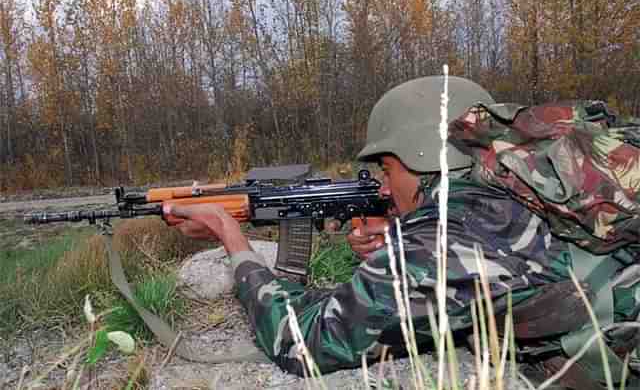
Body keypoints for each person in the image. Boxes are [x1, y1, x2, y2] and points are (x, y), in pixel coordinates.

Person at [164, 77, 634, 389]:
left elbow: (302, 344)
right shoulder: (521, 188)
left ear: (424, 156)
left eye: (387, 167)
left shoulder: (453, 235)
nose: (384, 187)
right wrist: (398, 236)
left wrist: (231, 237)